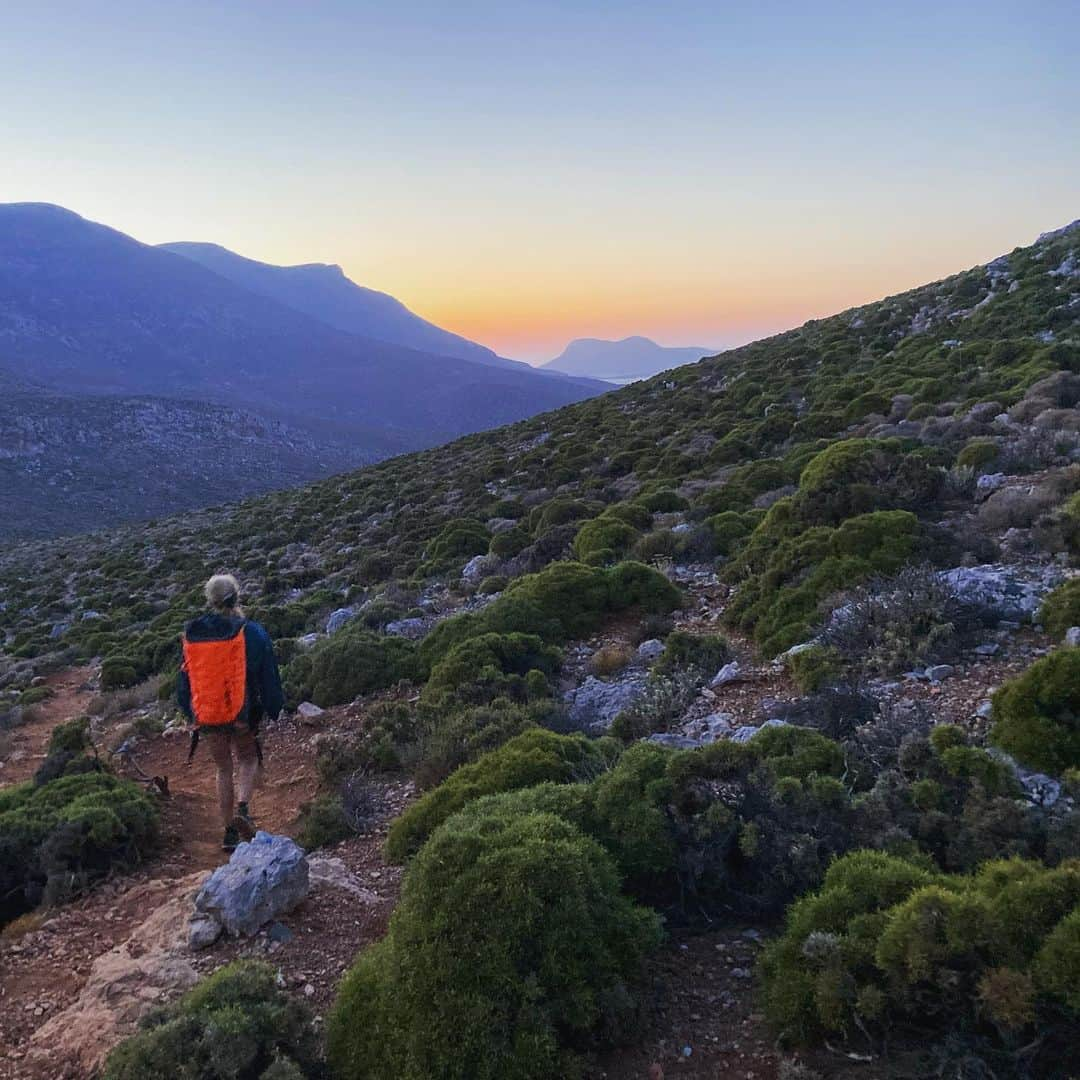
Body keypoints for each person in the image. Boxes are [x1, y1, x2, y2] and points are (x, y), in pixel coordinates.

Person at [178, 574, 283, 850]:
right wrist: (274, 707)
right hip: (242, 714)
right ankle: (244, 808)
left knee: (223, 769)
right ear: (236, 596)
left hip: (209, 715)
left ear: (210, 600)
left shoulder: (195, 634)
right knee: (248, 760)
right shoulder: (253, 632)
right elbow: (268, 675)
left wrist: (191, 712)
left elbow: (186, 679)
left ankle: (229, 832)